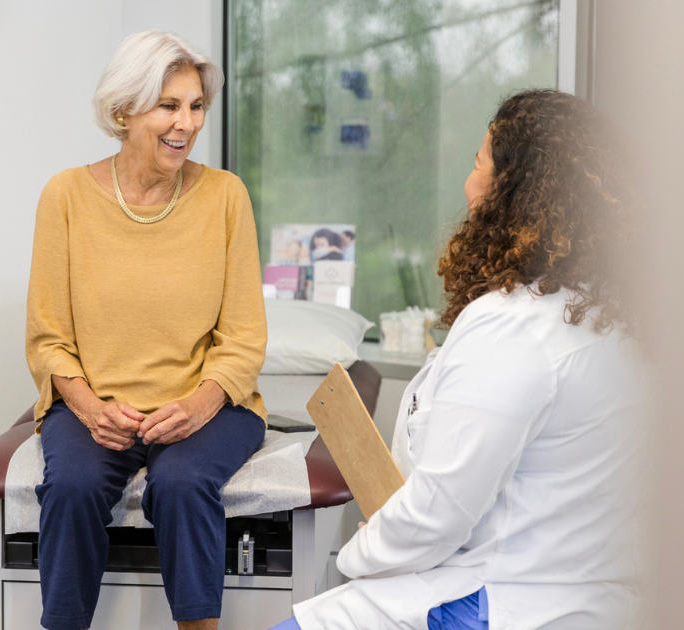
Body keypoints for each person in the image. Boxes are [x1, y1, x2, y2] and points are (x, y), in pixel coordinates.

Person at [274, 89, 644, 630]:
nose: (468, 184)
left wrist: (364, 549)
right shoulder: (611, 318)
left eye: (478, 165)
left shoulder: (513, 325)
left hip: (488, 602)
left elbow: (437, 515)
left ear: (511, 194)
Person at [25, 30, 268, 630]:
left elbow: (243, 338)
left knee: (182, 482)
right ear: (122, 111)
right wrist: (86, 407)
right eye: (168, 106)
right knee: (73, 488)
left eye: (195, 106)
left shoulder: (225, 196)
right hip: (99, 404)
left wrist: (198, 404)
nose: (185, 123)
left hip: (208, 405)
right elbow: (48, 337)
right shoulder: (66, 197)